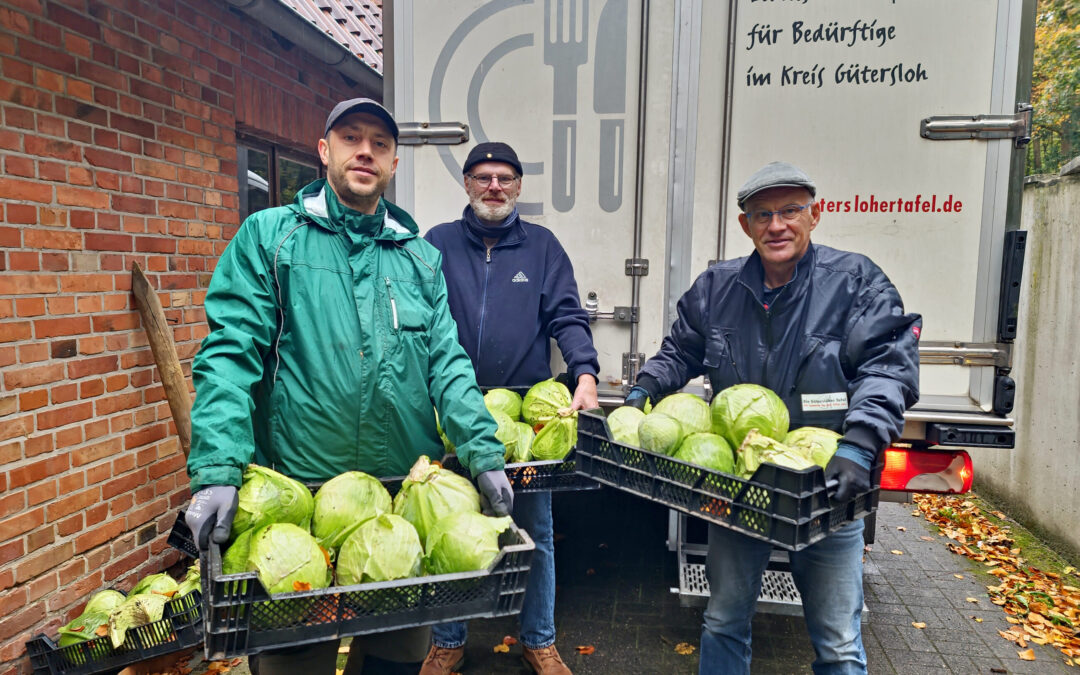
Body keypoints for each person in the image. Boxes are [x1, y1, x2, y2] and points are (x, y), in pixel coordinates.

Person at [183, 98, 514, 675]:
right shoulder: (271, 238)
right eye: (351, 138)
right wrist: (217, 466)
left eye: (379, 144)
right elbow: (230, 354)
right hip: (302, 503)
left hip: (399, 508)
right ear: (324, 150)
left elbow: (448, 364)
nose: (365, 152)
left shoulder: (420, 259)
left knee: (397, 658)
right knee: (295, 663)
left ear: (393, 164)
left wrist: (483, 453)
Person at [624, 162, 921, 674]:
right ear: (746, 225)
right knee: (723, 619)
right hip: (742, 487)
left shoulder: (856, 283)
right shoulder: (717, 287)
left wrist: (859, 443)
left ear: (814, 215)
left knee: (838, 642)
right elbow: (681, 350)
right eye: (763, 214)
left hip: (824, 487)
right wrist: (642, 390)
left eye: (790, 211)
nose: (777, 225)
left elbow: (888, 368)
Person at [420, 141, 600, 675]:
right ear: (467, 184)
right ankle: (447, 640)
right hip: (450, 410)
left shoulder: (542, 247)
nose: (494, 186)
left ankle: (538, 639)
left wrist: (585, 373)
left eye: (504, 178)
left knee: (535, 531)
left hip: (523, 418)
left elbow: (567, 316)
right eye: (483, 177)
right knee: (448, 527)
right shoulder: (436, 244)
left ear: (519, 186)